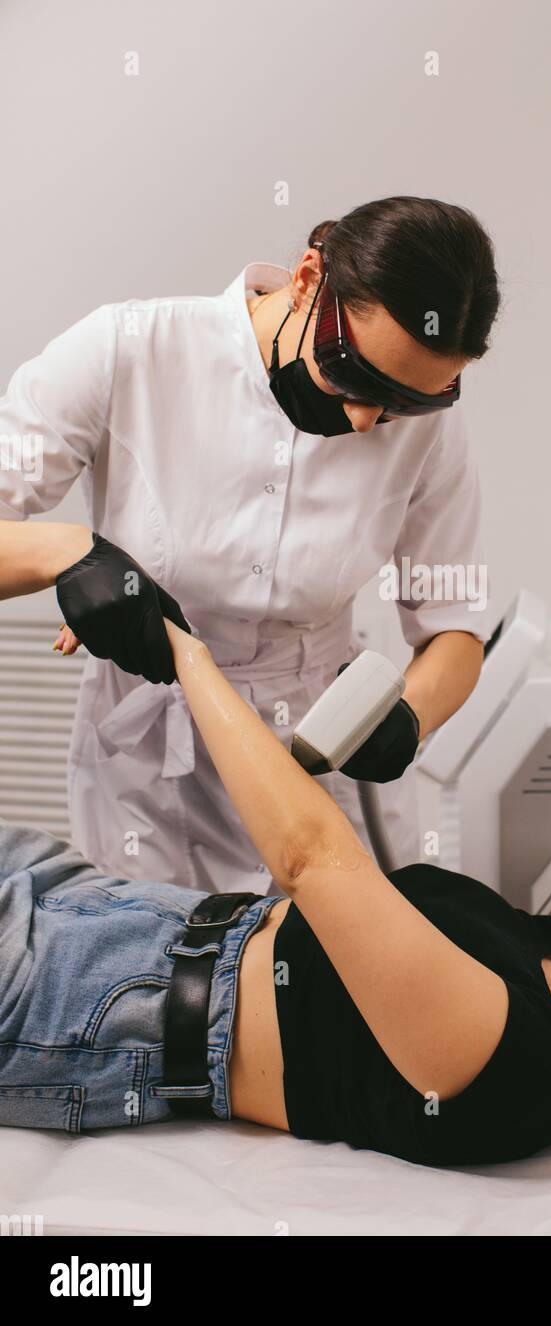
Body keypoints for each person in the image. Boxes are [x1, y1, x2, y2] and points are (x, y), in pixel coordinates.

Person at [1, 527, 551, 1166]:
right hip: (100, 901)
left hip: (82, 998)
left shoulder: (520, 1071)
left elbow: (314, 860)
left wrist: (177, 647)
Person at [0, 197, 499, 893]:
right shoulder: (129, 349)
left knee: (334, 984)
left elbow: (454, 628)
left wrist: (411, 719)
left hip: (318, 756)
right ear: (305, 280)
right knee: (162, 981)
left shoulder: (430, 431)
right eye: (354, 375)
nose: (365, 421)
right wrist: (68, 553)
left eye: (407, 403)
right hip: (149, 770)